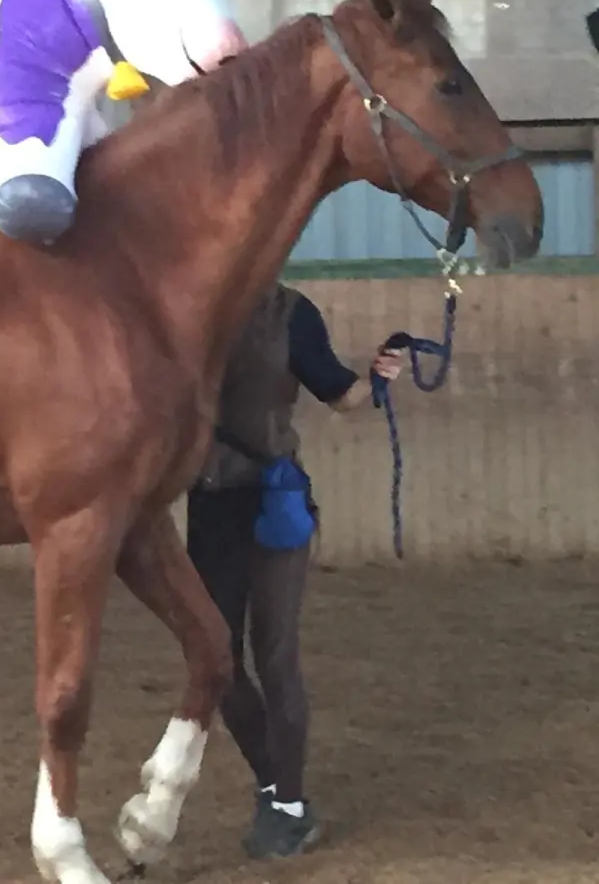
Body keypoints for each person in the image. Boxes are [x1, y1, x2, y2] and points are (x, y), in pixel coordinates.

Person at [185, 281, 404, 859]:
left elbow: (340, 393)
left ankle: (288, 802)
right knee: (216, 659)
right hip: (210, 503)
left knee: (274, 651)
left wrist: (378, 379)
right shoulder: (188, 303)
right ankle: (274, 783)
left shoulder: (290, 314)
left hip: (272, 498)